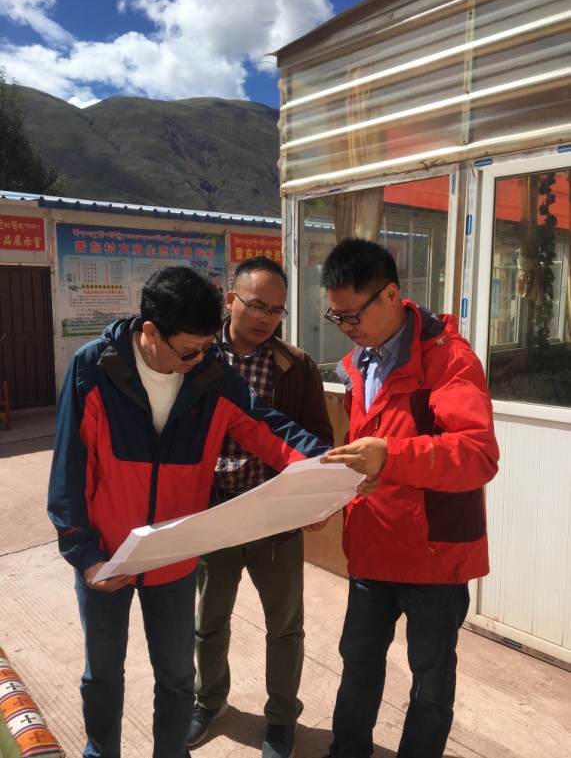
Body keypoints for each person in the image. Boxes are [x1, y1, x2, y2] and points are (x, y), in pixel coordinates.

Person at [47, 265, 333, 758]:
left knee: (178, 679)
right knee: (103, 677)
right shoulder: (93, 369)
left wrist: (328, 469)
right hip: (105, 562)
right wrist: (84, 554)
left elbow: (269, 429)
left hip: (174, 562)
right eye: (188, 351)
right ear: (150, 331)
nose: (199, 359)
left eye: (206, 348)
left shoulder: (210, 375)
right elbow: (67, 471)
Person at [318, 238, 499, 758]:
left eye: (352, 315)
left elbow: (477, 454)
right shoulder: (359, 362)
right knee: (358, 664)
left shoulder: (448, 359)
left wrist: (391, 456)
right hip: (372, 547)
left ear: (392, 295)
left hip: (433, 557)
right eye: (336, 317)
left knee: (430, 683)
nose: (345, 327)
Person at [189, 256, 334, 758]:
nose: (266, 318)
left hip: (275, 519)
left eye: (277, 310)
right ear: (230, 299)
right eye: (256, 306)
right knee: (209, 620)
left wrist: (313, 501)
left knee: (284, 627)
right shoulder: (198, 356)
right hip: (215, 513)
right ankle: (208, 701)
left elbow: (316, 438)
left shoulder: (297, 365)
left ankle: (281, 718)